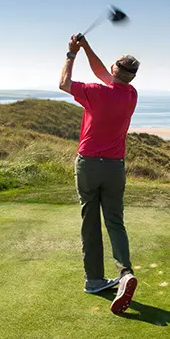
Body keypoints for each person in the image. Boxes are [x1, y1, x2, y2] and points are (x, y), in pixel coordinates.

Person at [58, 34, 140, 315]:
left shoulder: (95, 91)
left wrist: (71, 55)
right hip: (115, 168)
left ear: (116, 70)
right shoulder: (131, 94)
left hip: (89, 165)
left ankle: (94, 279)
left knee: (90, 222)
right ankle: (125, 272)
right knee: (115, 222)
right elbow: (104, 72)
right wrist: (87, 47)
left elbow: (64, 84)